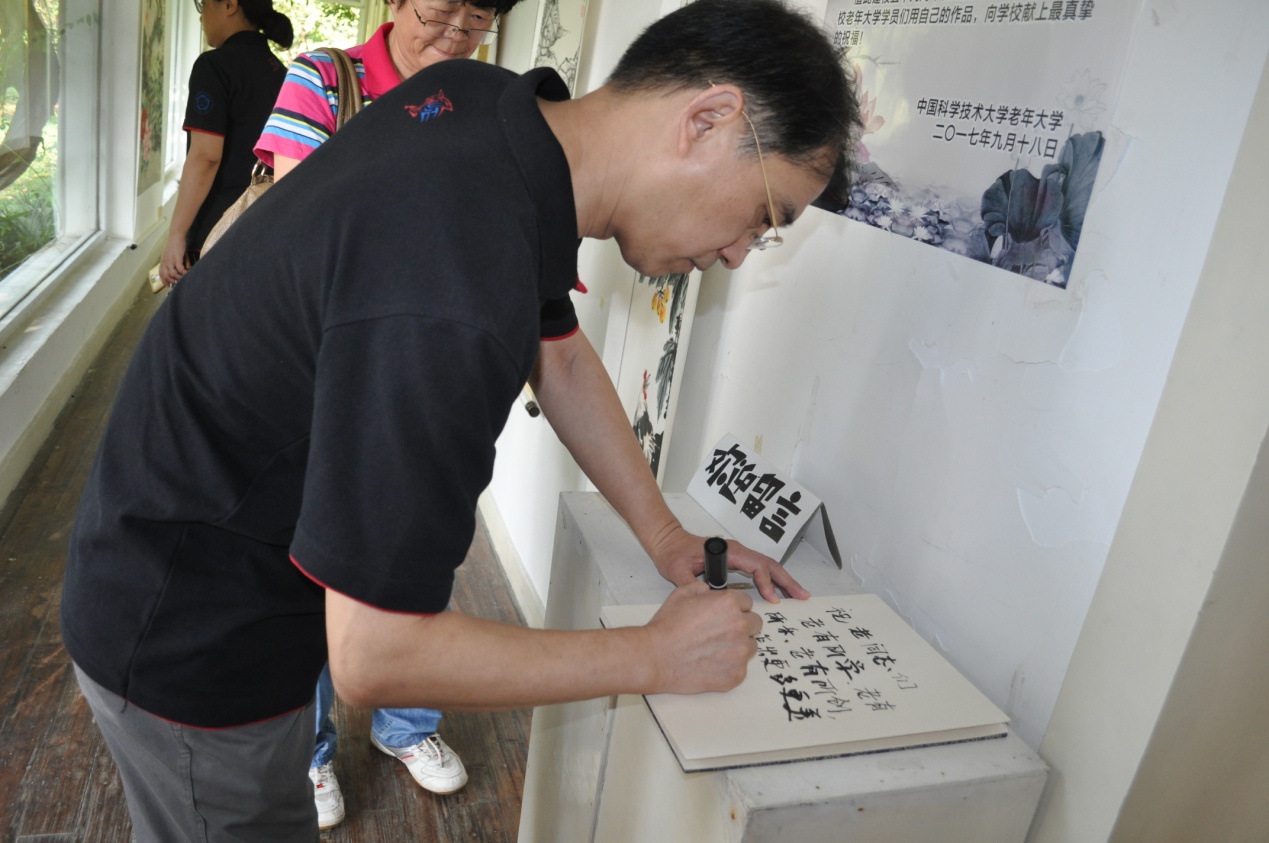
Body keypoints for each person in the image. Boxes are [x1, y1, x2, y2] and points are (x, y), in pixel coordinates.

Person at [60, 0, 862, 839]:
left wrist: (666, 538)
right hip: (190, 630)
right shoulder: (451, 279)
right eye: (764, 217)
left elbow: (559, 353)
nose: (737, 254)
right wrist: (653, 655)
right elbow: (378, 654)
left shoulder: (487, 111)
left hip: (190, 537)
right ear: (706, 119)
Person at [253, 0, 525, 827]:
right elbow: (302, 221)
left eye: (477, 19)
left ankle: (405, 723)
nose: (455, 33)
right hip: (319, 368)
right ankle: (311, 748)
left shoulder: (486, 100)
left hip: (423, 373)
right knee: (307, 561)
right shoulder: (323, 78)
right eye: (440, 10)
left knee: (415, 547)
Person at [158, 0, 291, 287]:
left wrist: (176, 235)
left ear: (229, 5)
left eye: (203, 5)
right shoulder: (280, 72)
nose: (201, 16)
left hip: (216, 232)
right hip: (264, 226)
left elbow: (206, 156)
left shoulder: (214, 66)